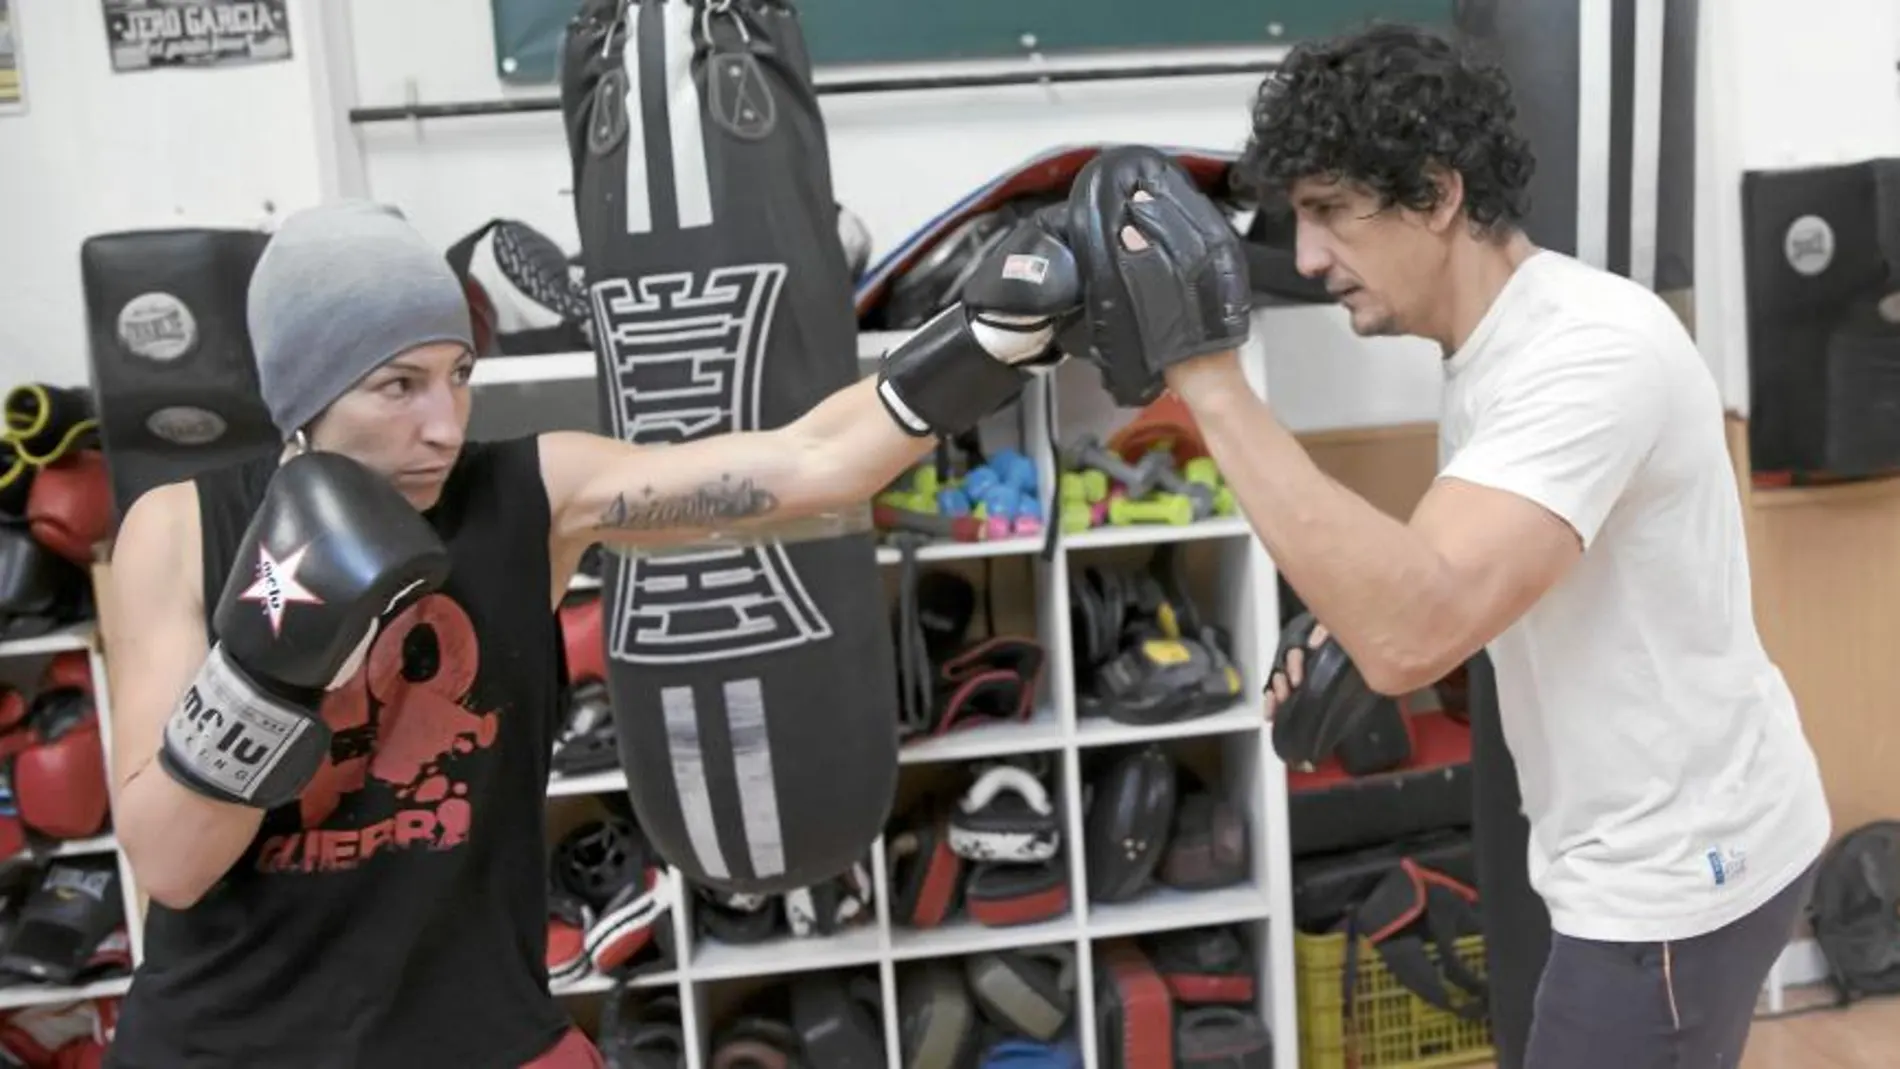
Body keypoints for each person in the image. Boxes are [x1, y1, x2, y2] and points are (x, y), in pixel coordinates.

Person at [99, 199, 1080, 1068]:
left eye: (458, 374)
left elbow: (807, 465)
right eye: (398, 386)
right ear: (305, 398)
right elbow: (172, 865)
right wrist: (274, 657)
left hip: (480, 1034)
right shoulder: (184, 532)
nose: (444, 424)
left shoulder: (534, 493)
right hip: (224, 1043)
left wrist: (988, 344)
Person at [1068, 23, 1832, 1069]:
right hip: (1652, 839)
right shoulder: (1494, 349)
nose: (1305, 259)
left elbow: (1416, 622)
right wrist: (1342, 620)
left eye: (1330, 214)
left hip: (1673, 878)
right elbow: (1448, 568)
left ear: (1435, 195)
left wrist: (1202, 377)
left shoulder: (1587, 352)